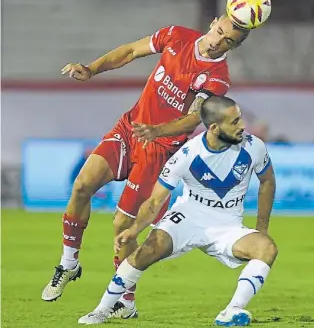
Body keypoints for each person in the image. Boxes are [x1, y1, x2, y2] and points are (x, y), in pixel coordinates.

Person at [41, 15, 251, 321]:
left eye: (228, 41)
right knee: (82, 186)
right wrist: (91, 69)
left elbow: (195, 118)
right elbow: (129, 51)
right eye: (219, 32)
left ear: (236, 45)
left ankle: (125, 300)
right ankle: (69, 263)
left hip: (159, 148)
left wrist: (159, 131)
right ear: (214, 22)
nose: (218, 42)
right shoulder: (176, 36)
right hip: (130, 127)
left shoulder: (217, 77)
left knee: (122, 227)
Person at [78, 96, 278, 326]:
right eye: (234, 122)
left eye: (240, 119)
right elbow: (155, 201)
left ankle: (232, 311)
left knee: (267, 249)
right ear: (214, 128)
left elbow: (268, 182)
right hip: (188, 217)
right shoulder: (186, 155)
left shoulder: (254, 147)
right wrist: (134, 229)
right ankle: (101, 310)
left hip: (228, 225)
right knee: (148, 250)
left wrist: (262, 227)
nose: (242, 126)